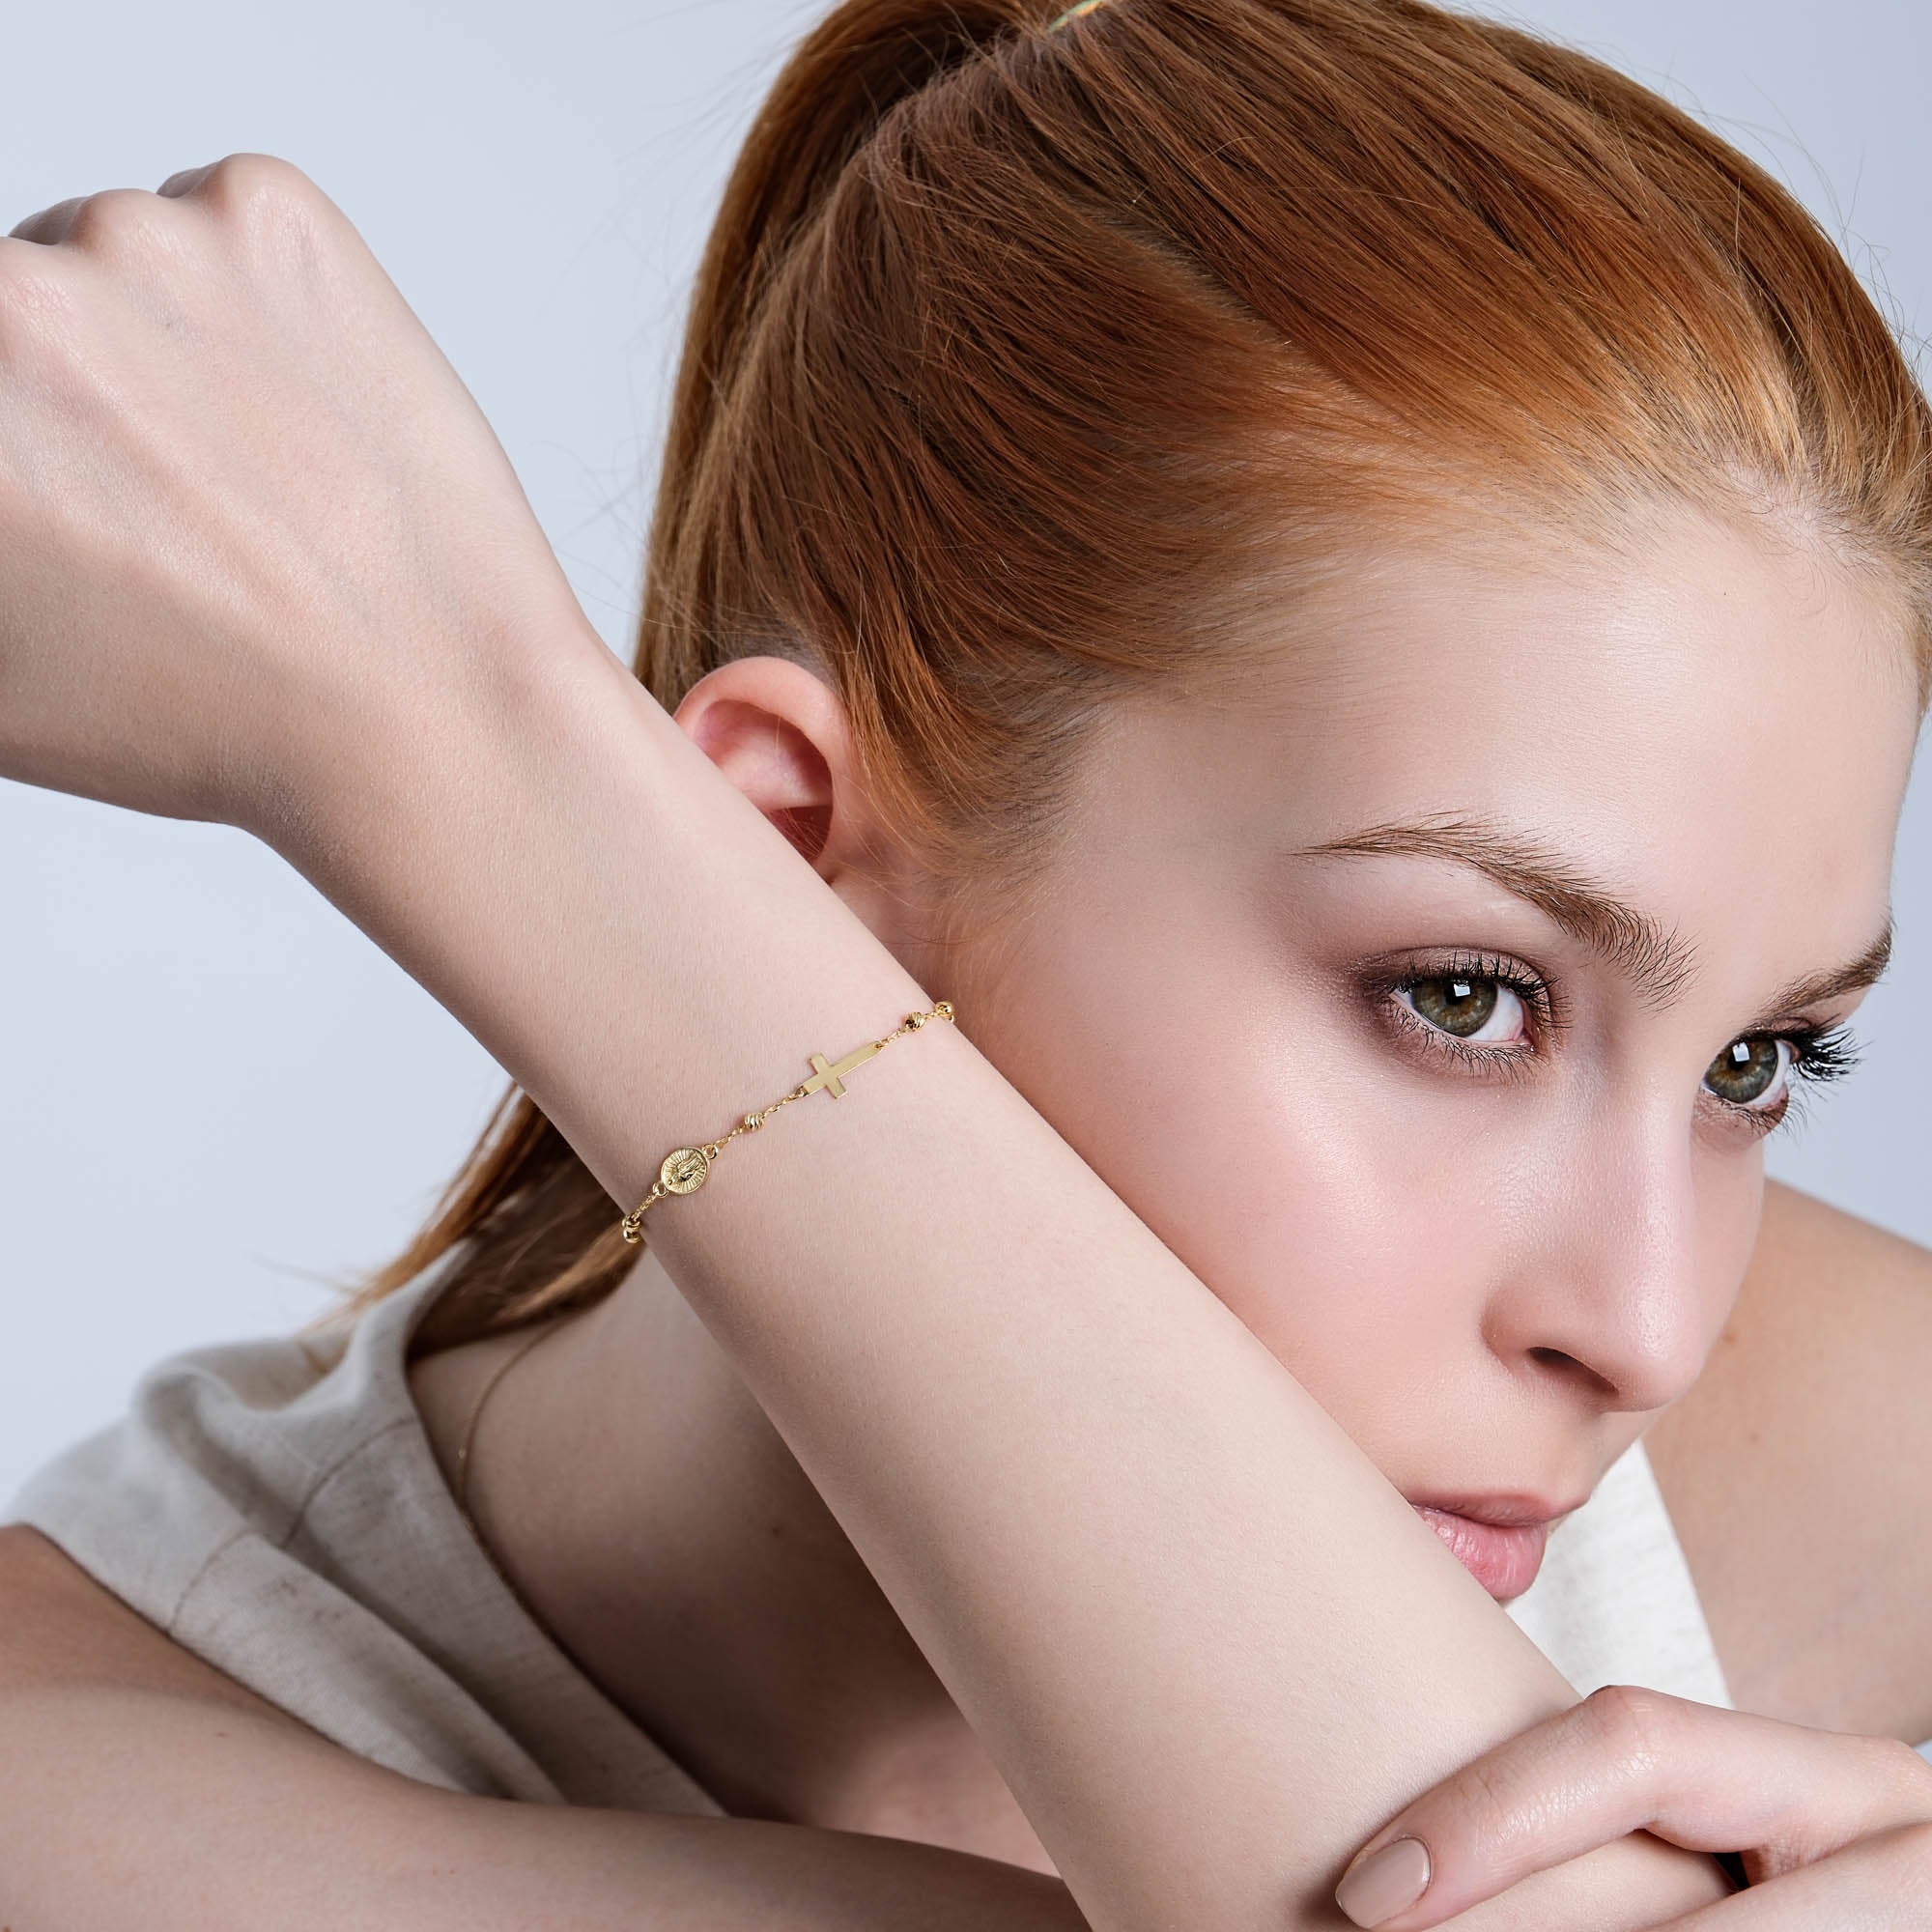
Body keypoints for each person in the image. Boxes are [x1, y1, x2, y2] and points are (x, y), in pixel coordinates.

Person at [1, 0, 1929, 1924]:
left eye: (1759, 1061)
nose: (1650, 1330)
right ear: (775, 852)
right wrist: (463, 750)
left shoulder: (1844, 1439)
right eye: (1460, 994)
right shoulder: (84, 1765)